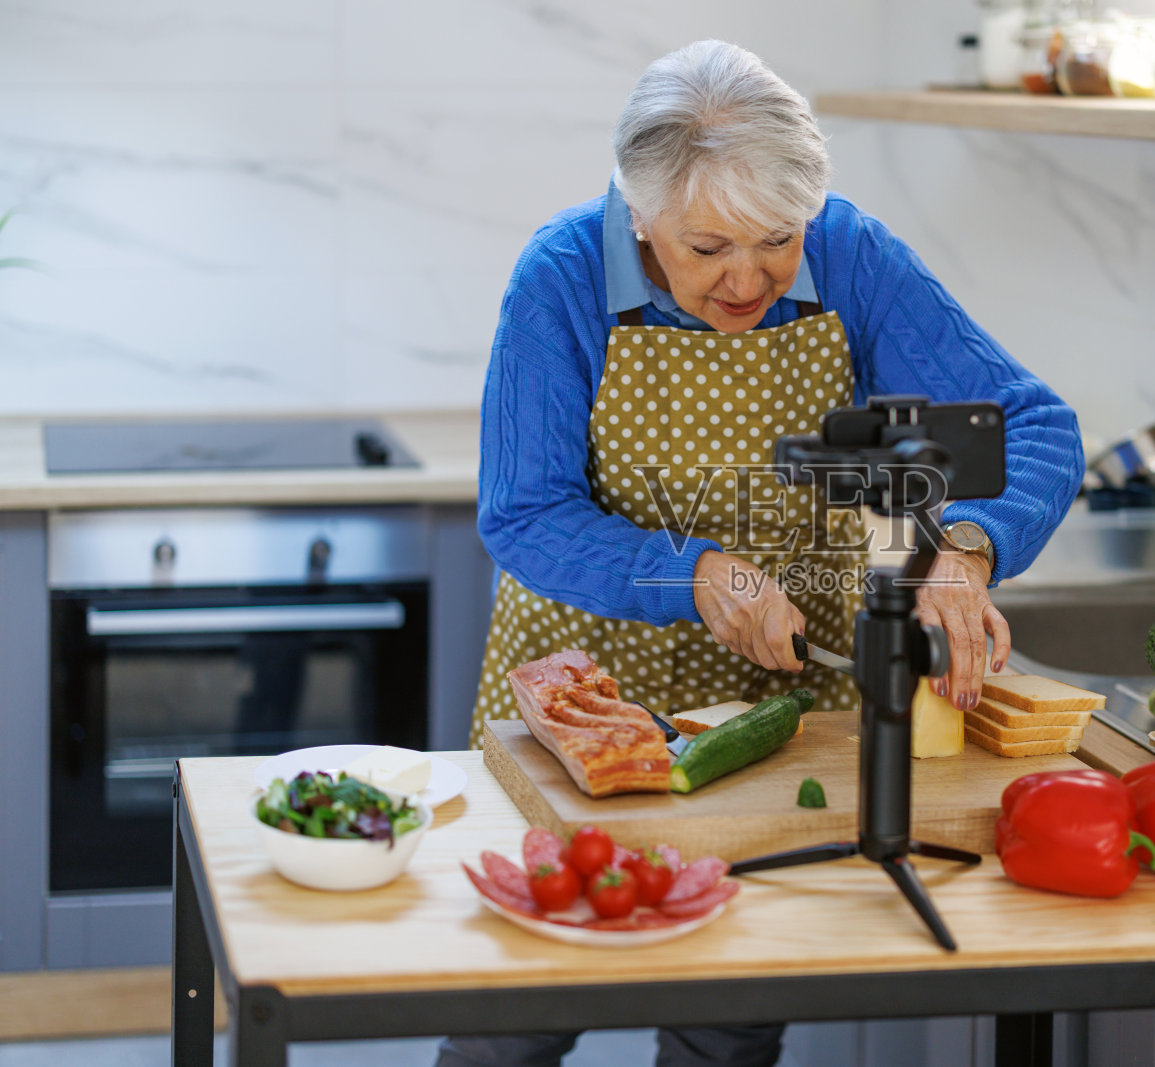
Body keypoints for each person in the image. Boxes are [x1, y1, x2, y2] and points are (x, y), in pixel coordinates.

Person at [440, 39, 1082, 1067]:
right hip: (580, 715)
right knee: (513, 1021)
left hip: (779, 731)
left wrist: (964, 548)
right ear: (639, 213)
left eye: (777, 240)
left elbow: (1032, 425)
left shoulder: (852, 255)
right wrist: (696, 572)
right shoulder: (561, 276)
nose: (746, 279)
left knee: (727, 1026)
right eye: (706, 248)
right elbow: (526, 514)